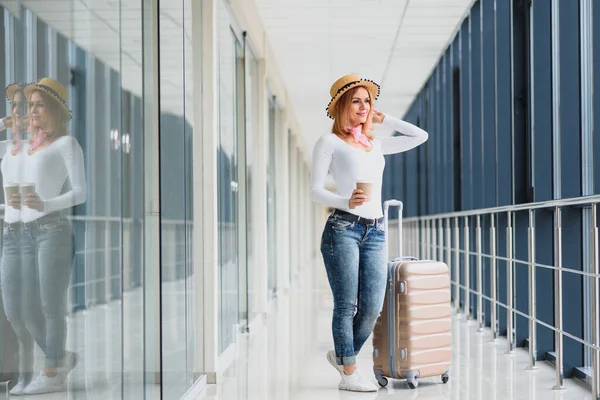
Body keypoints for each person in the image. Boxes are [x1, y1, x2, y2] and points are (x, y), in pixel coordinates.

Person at [309, 74, 428, 392]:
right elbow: (315, 190)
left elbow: (420, 136)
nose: (363, 106)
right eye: (356, 100)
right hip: (342, 229)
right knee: (346, 304)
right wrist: (343, 199)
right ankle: (349, 373)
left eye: (367, 100)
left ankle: (342, 354)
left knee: (373, 305)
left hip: (375, 230)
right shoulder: (329, 142)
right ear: (342, 106)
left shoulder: (375, 143)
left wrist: (384, 117)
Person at [4, 77, 86, 395]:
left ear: (54, 108)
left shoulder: (67, 144)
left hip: (53, 229)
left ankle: (51, 370)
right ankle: (61, 356)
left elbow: (80, 192)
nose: (33, 110)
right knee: (17, 308)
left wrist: (46, 202)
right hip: (16, 233)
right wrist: (7, 122)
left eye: (39, 104)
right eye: (30, 104)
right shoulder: (23, 146)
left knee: (50, 306)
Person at [0, 83, 30, 393]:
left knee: (29, 308)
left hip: (43, 232)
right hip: (12, 233)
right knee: (10, 307)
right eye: (15, 106)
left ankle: (38, 366)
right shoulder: (8, 147)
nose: (20, 112)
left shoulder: (49, 144)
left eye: (26, 106)